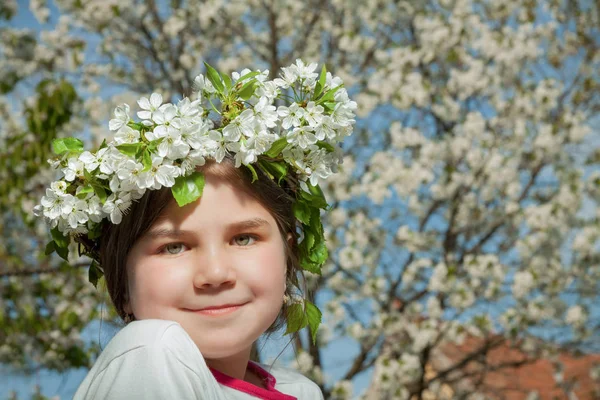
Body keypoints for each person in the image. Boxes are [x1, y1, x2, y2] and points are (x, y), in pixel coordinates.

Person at [33, 59, 356, 399]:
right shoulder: (153, 354)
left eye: (244, 238)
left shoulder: (301, 390)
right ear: (122, 283)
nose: (215, 273)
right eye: (174, 247)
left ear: (288, 254)